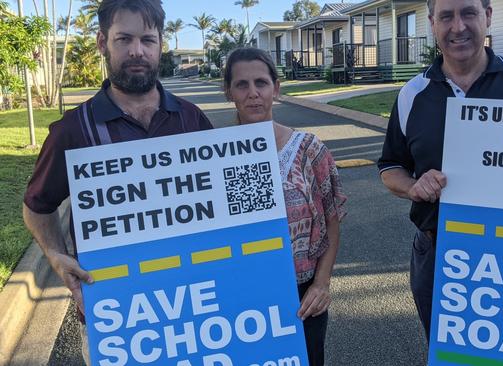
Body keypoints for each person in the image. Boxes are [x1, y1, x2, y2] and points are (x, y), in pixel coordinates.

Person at [22, 0, 212, 362]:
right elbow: (37, 206)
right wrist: (56, 256)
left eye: (147, 40)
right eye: (124, 39)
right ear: (101, 42)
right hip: (117, 317)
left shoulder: (190, 119)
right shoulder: (73, 129)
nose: (137, 51)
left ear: (161, 44)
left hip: (196, 312)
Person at [378, 0, 503, 340]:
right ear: (432, 23)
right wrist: (413, 186)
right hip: (438, 252)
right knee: (447, 351)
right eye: (446, 16)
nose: (458, 26)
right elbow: (391, 165)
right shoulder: (412, 95)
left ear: (487, 17)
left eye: (468, 13)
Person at [223, 47, 346, 366]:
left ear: (275, 88)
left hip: (303, 296)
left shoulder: (308, 150)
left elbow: (332, 221)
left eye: (261, 83)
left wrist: (321, 283)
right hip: (242, 297)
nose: (253, 94)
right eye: (242, 85)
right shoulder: (215, 157)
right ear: (228, 92)